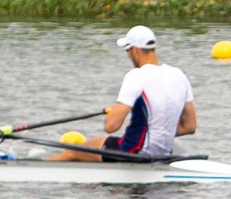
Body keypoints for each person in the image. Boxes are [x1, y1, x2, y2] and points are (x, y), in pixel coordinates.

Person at [53, 26, 195, 162]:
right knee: (96, 150)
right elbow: (190, 126)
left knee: (72, 152)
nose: (128, 55)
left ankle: (40, 169)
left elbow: (111, 127)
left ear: (135, 50)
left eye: (127, 50)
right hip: (163, 153)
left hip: (133, 151)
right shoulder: (179, 76)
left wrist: (115, 111)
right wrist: (159, 132)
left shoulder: (136, 76)